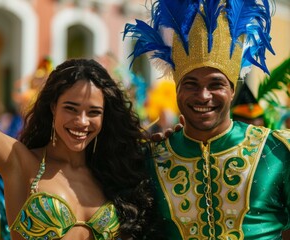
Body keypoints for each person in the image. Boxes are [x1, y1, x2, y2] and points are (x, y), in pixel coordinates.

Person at [0, 0, 159, 239]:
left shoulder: (112, 174)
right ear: (53, 107)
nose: (81, 121)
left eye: (93, 112)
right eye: (71, 108)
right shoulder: (20, 162)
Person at [124, 0, 290, 239]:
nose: (203, 96)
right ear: (177, 89)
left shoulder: (278, 152)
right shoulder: (150, 159)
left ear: (232, 91)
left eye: (216, 84)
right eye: (191, 84)